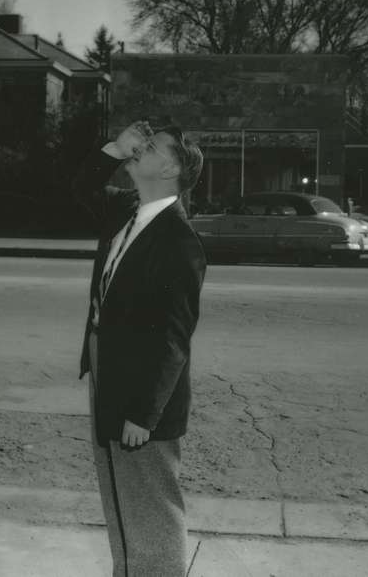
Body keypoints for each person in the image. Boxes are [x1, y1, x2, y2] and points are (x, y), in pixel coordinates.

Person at [73, 120, 206, 576]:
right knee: (121, 502)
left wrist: (144, 414)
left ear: (168, 167)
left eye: (148, 147)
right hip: (108, 370)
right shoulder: (126, 211)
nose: (138, 149)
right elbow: (70, 191)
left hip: (142, 396)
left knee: (151, 507)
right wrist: (113, 149)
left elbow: (173, 337)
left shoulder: (178, 239)